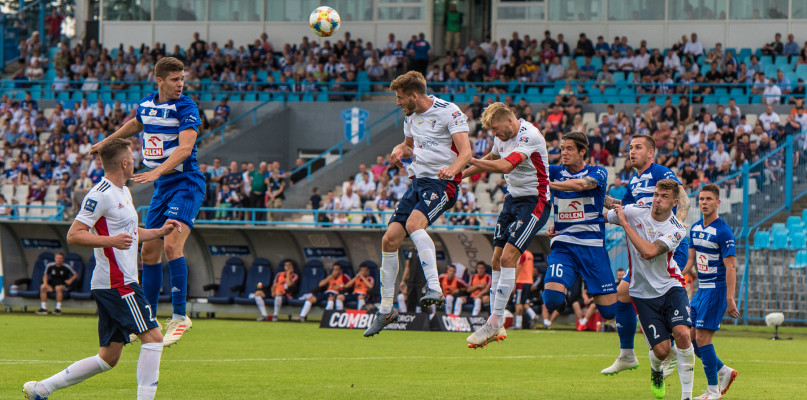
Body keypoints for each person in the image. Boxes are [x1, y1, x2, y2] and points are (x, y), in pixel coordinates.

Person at [23, 138, 180, 400]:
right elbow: (75, 235)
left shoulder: (124, 192)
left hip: (116, 283)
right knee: (153, 337)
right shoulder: (100, 194)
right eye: (132, 157)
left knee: (108, 358)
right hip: (118, 283)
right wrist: (111, 241)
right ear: (125, 162)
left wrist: (159, 232)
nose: (134, 161)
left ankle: (42, 388)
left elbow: (128, 232)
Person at [91, 57, 203, 347]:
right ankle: (147, 316)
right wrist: (107, 142)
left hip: (186, 183)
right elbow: (136, 123)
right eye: (175, 79)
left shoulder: (187, 107)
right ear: (160, 80)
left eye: (182, 79)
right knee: (148, 253)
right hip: (163, 185)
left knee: (170, 244)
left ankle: (180, 316)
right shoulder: (147, 104)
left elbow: (186, 147)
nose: (181, 84)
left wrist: (156, 170)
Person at [363, 71, 471, 337]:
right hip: (418, 182)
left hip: (442, 183)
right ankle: (386, 308)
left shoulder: (450, 112)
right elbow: (410, 146)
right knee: (389, 239)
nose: (397, 103)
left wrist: (453, 169)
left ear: (414, 95)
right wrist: (401, 149)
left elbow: (466, 151)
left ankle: (434, 287)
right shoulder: (410, 116)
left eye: (400, 98)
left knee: (413, 224)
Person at [460, 102, 550, 347]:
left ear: (509, 120)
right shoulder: (502, 137)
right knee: (496, 260)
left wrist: (470, 159)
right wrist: (460, 173)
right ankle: (495, 322)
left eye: (497, 129)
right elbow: (494, 156)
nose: (495, 135)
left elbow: (504, 165)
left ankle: (494, 322)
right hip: (512, 200)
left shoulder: (529, 135)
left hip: (535, 200)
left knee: (509, 258)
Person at [601, 134, 691, 376]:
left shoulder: (661, 171)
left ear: (651, 153)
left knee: (655, 294)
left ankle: (668, 349)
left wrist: (675, 228)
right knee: (623, 291)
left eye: (638, 147)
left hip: (668, 246)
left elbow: (683, 199)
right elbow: (625, 209)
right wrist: (598, 195)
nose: (632, 151)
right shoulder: (634, 181)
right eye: (630, 147)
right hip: (645, 246)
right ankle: (629, 354)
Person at [606, 179, 695, 400]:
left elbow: (648, 252)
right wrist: (560, 228)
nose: (657, 199)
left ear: (674, 202)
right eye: (656, 194)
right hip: (642, 293)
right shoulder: (635, 211)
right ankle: (656, 370)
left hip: (670, 286)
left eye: (664, 196)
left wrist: (625, 224)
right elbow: (602, 213)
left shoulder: (676, 229)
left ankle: (687, 396)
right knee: (662, 351)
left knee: (683, 334)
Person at [539, 131, 618, 334]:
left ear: (582, 151)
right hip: (563, 245)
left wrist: (547, 184)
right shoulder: (554, 171)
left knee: (609, 311)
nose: (564, 152)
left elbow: (582, 185)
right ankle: (561, 296)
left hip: (592, 247)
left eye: (569, 149)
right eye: (562, 148)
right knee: (551, 300)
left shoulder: (597, 172)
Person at [681, 184, 739, 399]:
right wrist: (677, 276)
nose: (704, 202)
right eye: (702, 199)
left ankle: (713, 391)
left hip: (716, 290)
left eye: (708, 199)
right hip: (700, 291)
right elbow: (690, 260)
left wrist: (729, 298)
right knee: (690, 340)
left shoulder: (723, 232)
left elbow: (731, 267)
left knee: (704, 339)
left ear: (718, 202)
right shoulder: (695, 228)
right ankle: (724, 371)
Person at [513, 250, 538, 329]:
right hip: (528, 281)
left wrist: (514, 281)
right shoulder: (530, 254)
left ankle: (518, 324)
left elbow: (518, 267)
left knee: (518, 303)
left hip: (521, 281)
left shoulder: (522, 254)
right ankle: (533, 315)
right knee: (523, 302)